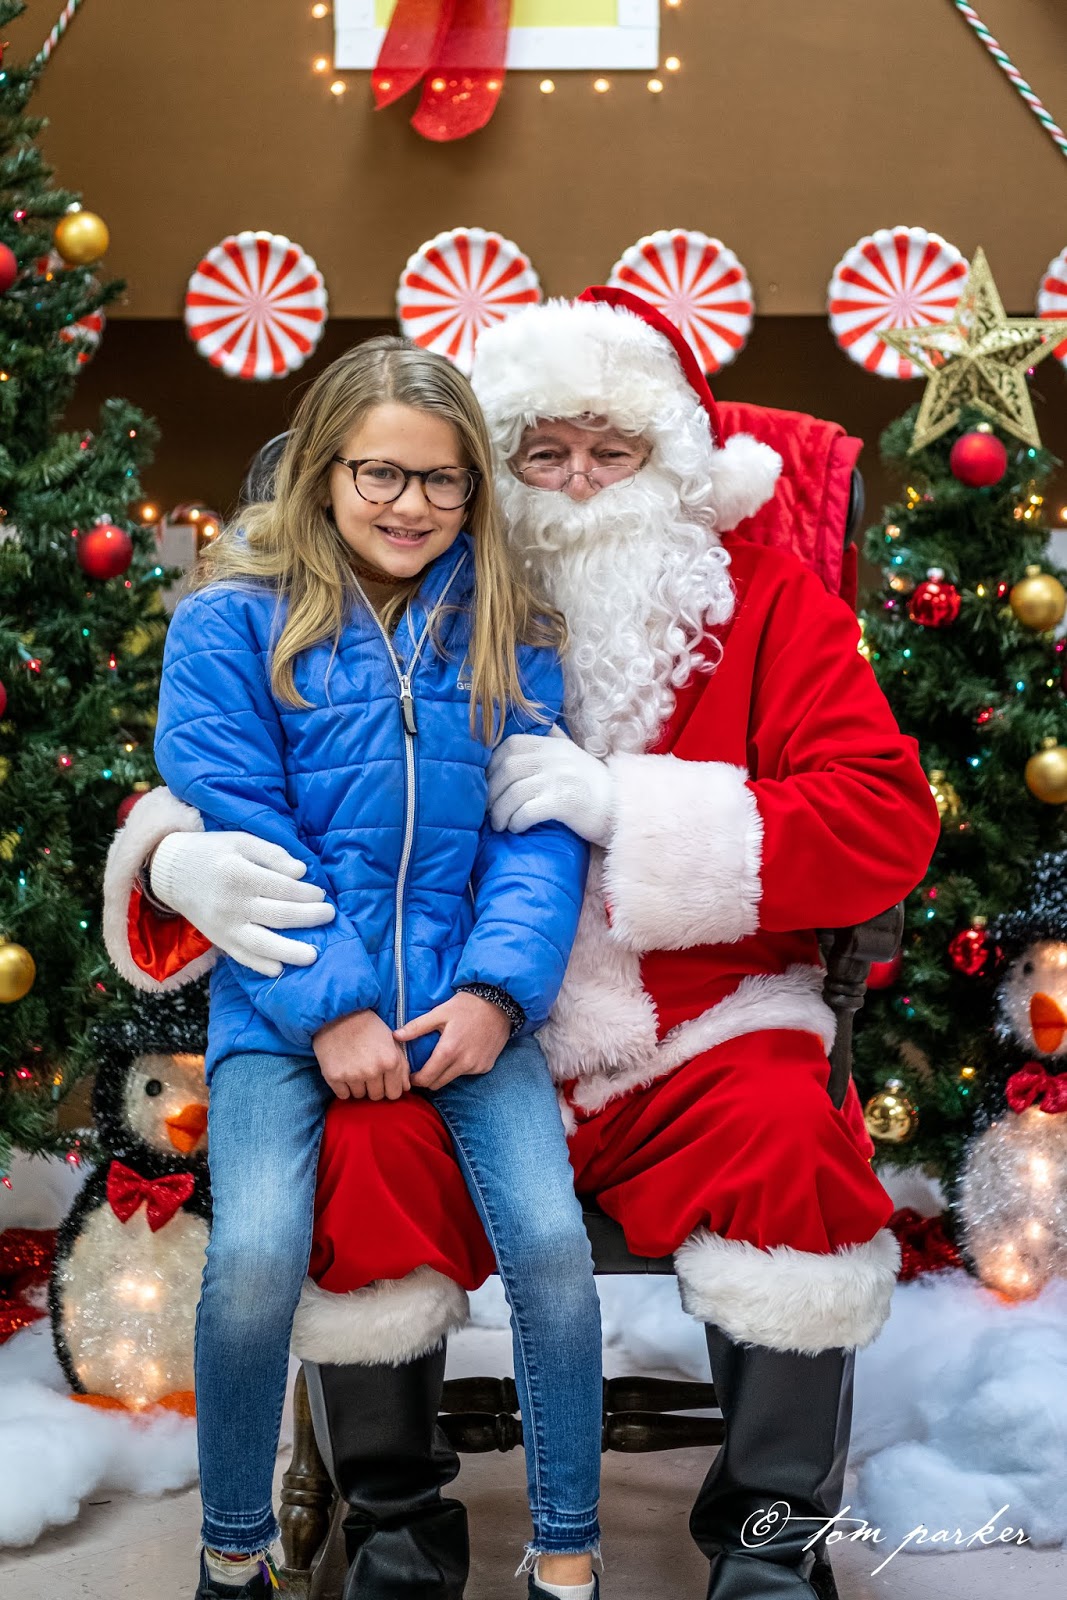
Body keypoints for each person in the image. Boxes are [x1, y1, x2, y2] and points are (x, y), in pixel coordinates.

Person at [105, 289, 941, 1600]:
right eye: (543, 453)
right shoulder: (407, 591)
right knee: (361, 1160)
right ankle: (396, 1529)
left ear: (672, 461)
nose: (579, 482)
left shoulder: (766, 604)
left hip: (693, 1029)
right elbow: (258, 763)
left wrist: (628, 810)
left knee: (789, 1145)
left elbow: (884, 821)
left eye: (612, 450)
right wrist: (169, 856)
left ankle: (769, 1546)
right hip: (436, 1012)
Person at [132, 336, 605, 1600]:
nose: (412, 505)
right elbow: (245, 828)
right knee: (254, 1261)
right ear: (324, 470)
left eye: (444, 480)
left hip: (464, 1001)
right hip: (281, 1010)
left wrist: (495, 994)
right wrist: (332, 1008)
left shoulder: (507, 622)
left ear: (474, 487)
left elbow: (534, 834)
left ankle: (566, 1553)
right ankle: (233, 1551)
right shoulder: (231, 621)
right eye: (381, 474)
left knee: (550, 1249)